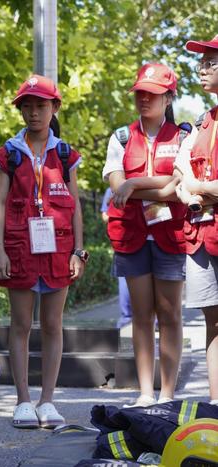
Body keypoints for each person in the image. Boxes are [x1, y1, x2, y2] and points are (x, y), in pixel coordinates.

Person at [0, 74, 86, 429]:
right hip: (19, 249)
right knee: (19, 325)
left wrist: (79, 250)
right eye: (27, 106)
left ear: (54, 108)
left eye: (41, 106)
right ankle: (23, 401)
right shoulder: (9, 154)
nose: (34, 112)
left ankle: (48, 400)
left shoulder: (65, 154)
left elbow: (75, 206)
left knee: (52, 324)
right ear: (20, 111)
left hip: (58, 249)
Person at [102, 63, 188, 408]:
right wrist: (159, 186)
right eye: (140, 93)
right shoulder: (121, 137)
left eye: (152, 94)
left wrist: (136, 183)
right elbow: (116, 186)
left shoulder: (184, 136)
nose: (144, 99)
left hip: (172, 235)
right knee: (141, 316)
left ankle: (167, 394)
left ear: (168, 98)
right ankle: (145, 393)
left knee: (170, 316)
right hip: (132, 236)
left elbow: (179, 187)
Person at [174, 34, 218, 407]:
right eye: (201, 62)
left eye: (211, 61)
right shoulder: (202, 122)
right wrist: (190, 191)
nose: (202, 68)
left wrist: (199, 184)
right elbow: (180, 167)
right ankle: (216, 411)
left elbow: (194, 178)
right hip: (203, 234)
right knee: (213, 324)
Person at [100, 187, 134, 328]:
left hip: (146, 235)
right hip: (124, 239)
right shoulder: (112, 189)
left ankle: (153, 318)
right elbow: (105, 215)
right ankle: (127, 317)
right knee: (124, 280)